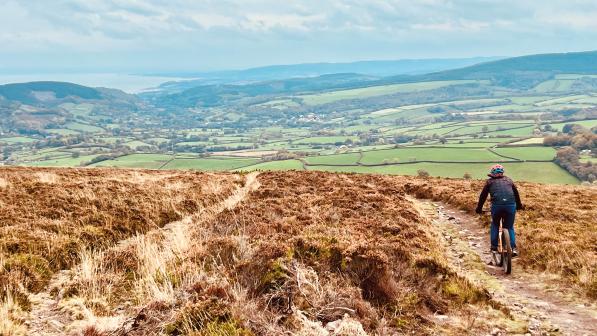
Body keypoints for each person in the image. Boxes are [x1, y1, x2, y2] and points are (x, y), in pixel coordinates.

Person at [475, 164, 523, 257]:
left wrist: (479, 208)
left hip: (497, 206)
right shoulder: (509, 180)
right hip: (510, 205)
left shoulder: (489, 182)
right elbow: (516, 194)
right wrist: (519, 206)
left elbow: (483, 197)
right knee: (509, 227)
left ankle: (494, 247)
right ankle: (512, 248)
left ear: (492, 173)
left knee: (495, 224)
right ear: (502, 172)